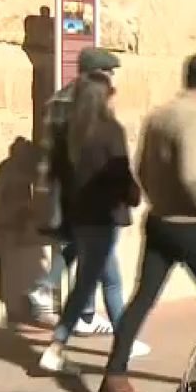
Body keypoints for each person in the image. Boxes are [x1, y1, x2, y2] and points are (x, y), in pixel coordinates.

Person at [103, 54, 196, 392]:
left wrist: (158, 197)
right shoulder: (192, 119)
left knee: (141, 300)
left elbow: (141, 168)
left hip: (160, 220)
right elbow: (191, 174)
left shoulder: (158, 116)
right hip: (192, 224)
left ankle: (115, 373)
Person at [36, 74, 146, 374]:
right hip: (103, 217)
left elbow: (56, 177)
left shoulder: (67, 133)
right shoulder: (110, 130)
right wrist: (133, 195)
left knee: (98, 280)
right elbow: (120, 171)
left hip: (80, 219)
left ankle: (109, 342)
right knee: (94, 283)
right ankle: (62, 347)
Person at [29, 46, 122, 333]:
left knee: (78, 244)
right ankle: (56, 294)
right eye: (108, 73)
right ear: (97, 74)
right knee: (95, 251)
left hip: (62, 185)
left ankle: (84, 312)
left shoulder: (56, 100)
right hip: (84, 187)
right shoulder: (89, 104)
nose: (112, 79)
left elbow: (49, 150)